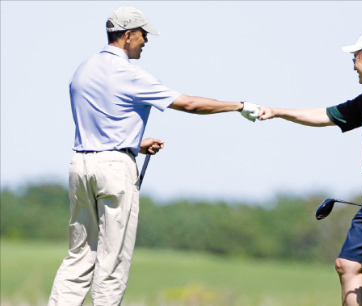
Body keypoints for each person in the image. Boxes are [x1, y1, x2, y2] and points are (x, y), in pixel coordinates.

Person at [48, 6, 260, 306]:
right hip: (113, 169)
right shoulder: (130, 74)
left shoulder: (83, 69)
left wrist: (134, 143)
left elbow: (102, 120)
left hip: (80, 165)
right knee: (113, 260)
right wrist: (239, 105)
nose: (146, 41)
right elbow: (189, 104)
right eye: (143, 35)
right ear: (128, 35)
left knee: (79, 255)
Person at [258, 30, 362, 306]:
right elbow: (326, 115)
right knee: (347, 263)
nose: (352, 64)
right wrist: (279, 112)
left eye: (356, 57)